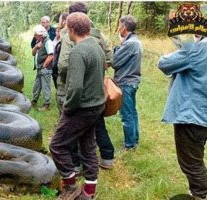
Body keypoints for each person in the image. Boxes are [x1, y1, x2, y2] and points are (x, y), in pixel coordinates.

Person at [50, 12, 105, 200]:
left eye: (67, 28)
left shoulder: (78, 52)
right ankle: (89, 193)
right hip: (97, 106)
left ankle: (71, 187)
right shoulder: (96, 46)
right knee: (88, 148)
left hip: (81, 108)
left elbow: (76, 87)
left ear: (71, 29)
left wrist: (68, 108)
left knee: (57, 145)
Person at [56, 2, 115, 171]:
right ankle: (107, 157)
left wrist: (79, 69)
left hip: (77, 90)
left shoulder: (70, 36)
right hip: (96, 90)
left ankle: (75, 166)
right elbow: (109, 58)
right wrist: (96, 69)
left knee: (69, 133)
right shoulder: (98, 34)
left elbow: (63, 65)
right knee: (96, 125)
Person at [158, 35, 207, 200]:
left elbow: (164, 64)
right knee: (196, 157)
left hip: (192, 114)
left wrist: (178, 51)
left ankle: (199, 194)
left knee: (191, 162)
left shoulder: (196, 48)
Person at [111, 15, 142, 150]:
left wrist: (118, 47)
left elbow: (114, 61)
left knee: (127, 115)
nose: (118, 28)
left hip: (126, 82)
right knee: (132, 112)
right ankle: (134, 140)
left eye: (119, 25)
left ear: (124, 27)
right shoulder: (135, 41)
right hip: (132, 81)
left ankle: (129, 145)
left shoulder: (130, 43)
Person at [31, 25, 54, 111]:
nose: (34, 36)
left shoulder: (48, 42)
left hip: (45, 69)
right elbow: (33, 53)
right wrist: (36, 46)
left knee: (45, 87)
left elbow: (51, 56)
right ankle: (34, 101)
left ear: (41, 35)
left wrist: (44, 67)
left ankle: (46, 105)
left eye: (36, 34)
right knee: (36, 86)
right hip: (39, 69)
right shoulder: (39, 41)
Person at [51, 13, 68, 89]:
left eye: (60, 20)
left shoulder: (66, 36)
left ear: (64, 21)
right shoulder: (61, 33)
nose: (59, 22)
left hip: (62, 71)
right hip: (57, 68)